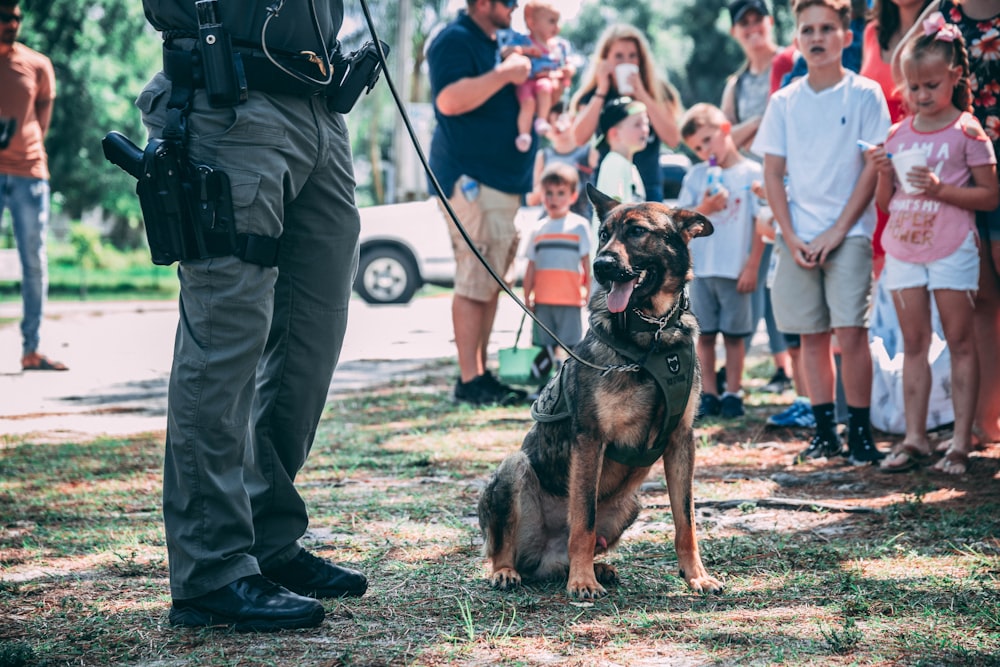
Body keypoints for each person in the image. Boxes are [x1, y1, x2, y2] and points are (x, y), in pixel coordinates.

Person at [137, 0, 368, 631]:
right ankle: (211, 568)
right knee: (223, 343)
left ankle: (267, 539)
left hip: (319, 104)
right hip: (230, 101)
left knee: (311, 336)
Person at [752, 0, 891, 465]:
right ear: (796, 40)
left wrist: (838, 231)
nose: (817, 37)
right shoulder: (784, 101)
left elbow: (870, 172)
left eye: (827, 28)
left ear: (846, 37)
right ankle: (824, 431)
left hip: (847, 233)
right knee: (810, 337)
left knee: (851, 332)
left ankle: (860, 432)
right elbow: (773, 174)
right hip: (798, 236)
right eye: (807, 29)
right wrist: (790, 237)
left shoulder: (865, 94)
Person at [873, 14, 998, 474]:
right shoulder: (897, 134)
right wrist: (883, 175)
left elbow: (990, 195)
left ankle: (961, 442)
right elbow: (886, 202)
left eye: (930, 85)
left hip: (951, 248)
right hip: (905, 248)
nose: (921, 95)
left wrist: (941, 189)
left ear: (955, 77)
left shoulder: (968, 131)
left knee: (961, 341)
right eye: (913, 87)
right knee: (913, 344)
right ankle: (914, 437)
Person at [427, 0, 536, 407]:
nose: (515, 7)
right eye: (508, 1)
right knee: (475, 278)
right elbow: (449, 101)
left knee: (491, 279)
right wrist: (505, 74)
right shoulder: (454, 40)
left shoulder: (495, 42)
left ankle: (481, 374)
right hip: (471, 181)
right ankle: (469, 379)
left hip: (500, 182)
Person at [720, 0, 794, 397]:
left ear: (769, 22)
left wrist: (746, 130)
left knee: (777, 277)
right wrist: (757, 121)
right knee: (753, 277)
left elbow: (775, 121)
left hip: (784, 181)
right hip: (749, 188)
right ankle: (759, 368)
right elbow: (724, 137)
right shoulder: (737, 82)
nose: (752, 28)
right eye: (743, 23)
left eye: (757, 19)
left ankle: (787, 366)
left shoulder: (788, 63)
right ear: (735, 32)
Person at [678, 103, 765, 420]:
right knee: (706, 335)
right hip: (703, 270)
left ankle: (733, 392)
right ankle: (709, 393)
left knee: (734, 335)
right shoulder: (696, 176)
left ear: (726, 130)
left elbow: (760, 224)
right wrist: (707, 208)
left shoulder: (751, 173)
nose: (704, 151)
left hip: (735, 269)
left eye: (707, 140)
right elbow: (682, 221)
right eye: (697, 147)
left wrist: (753, 264)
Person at [0, 1, 66, 372]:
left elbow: (42, 119)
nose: (11, 24)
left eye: (16, 18)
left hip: (29, 174)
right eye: (4, 18)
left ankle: (32, 349)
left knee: (34, 263)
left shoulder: (38, 64)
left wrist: (25, 148)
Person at [861, 0, 935, 277]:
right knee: (881, 271)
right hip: (877, 163)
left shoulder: (941, 28)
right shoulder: (872, 32)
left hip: (923, 156)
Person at [569, 23, 681, 202]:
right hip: (607, 188)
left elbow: (673, 139)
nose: (627, 62)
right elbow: (579, 138)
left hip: (648, 187)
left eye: (632, 56)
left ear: (641, 60)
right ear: (605, 59)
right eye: (618, 56)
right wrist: (602, 89)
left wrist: (642, 94)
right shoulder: (593, 95)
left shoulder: (658, 92)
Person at [522, 162, 591, 379]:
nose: (554, 199)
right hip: (543, 300)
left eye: (561, 193)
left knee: (571, 345)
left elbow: (586, 263)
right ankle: (543, 385)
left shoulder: (579, 226)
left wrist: (586, 291)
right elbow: (531, 265)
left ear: (573, 196)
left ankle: (571, 384)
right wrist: (527, 295)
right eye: (549, 193)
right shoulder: (538, 228)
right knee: (545, 345)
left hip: (569, 298)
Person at [498, 1, 574, 152]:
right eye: (552, 21)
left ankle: (541, 119)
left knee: (545, 89)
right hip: (526, 81)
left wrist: (568, 72)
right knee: (528, 103)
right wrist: (526, 50)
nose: (556, 27)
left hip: (546, 82)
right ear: (532, 22)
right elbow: (505, 51)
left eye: (558, 22)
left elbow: (568, 64)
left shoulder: (559, 46)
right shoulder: (524, 41)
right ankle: (524, 135)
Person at [525, 101, 598, 220]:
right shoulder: (543, 156)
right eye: (549, 121)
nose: (555, 125)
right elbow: (531, 200)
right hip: (550, 222)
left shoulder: (589, 151)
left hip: (581, 220)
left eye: (559, 118)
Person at [594, 96, 649, 207]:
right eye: (637, 124)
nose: (645, 130)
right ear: (614, 134)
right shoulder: (615, 163)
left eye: (646, 123)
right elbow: (615, 210)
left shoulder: (628, 166)